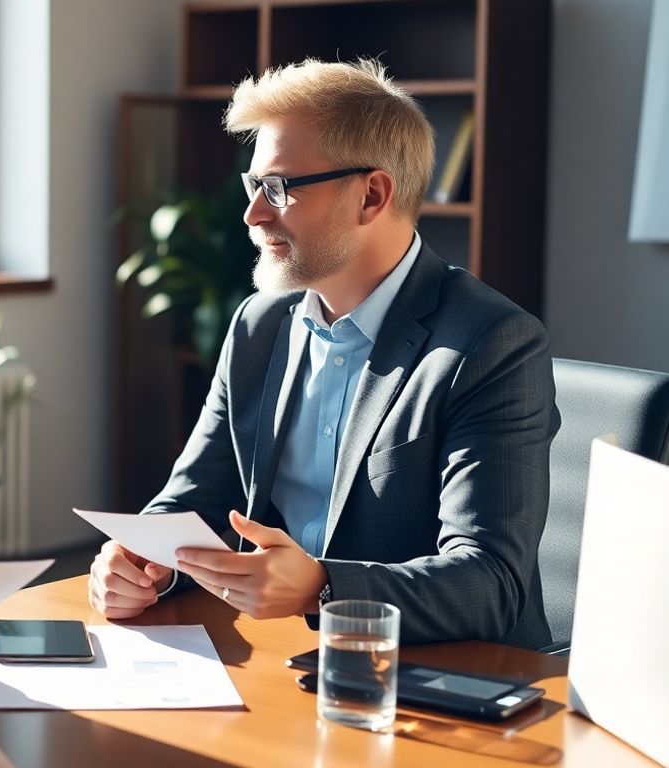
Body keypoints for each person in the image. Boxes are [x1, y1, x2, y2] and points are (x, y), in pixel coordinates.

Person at [89, 59, 559, 649]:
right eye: (253, 185)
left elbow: (492, 583)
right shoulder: (260, 324)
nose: (253, 214)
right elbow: (196, 499)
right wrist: (142, 563)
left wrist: (321, 587)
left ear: (372, 194)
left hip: (445, 682)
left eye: (279, 188)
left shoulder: (490, 344)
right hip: (295, 661)